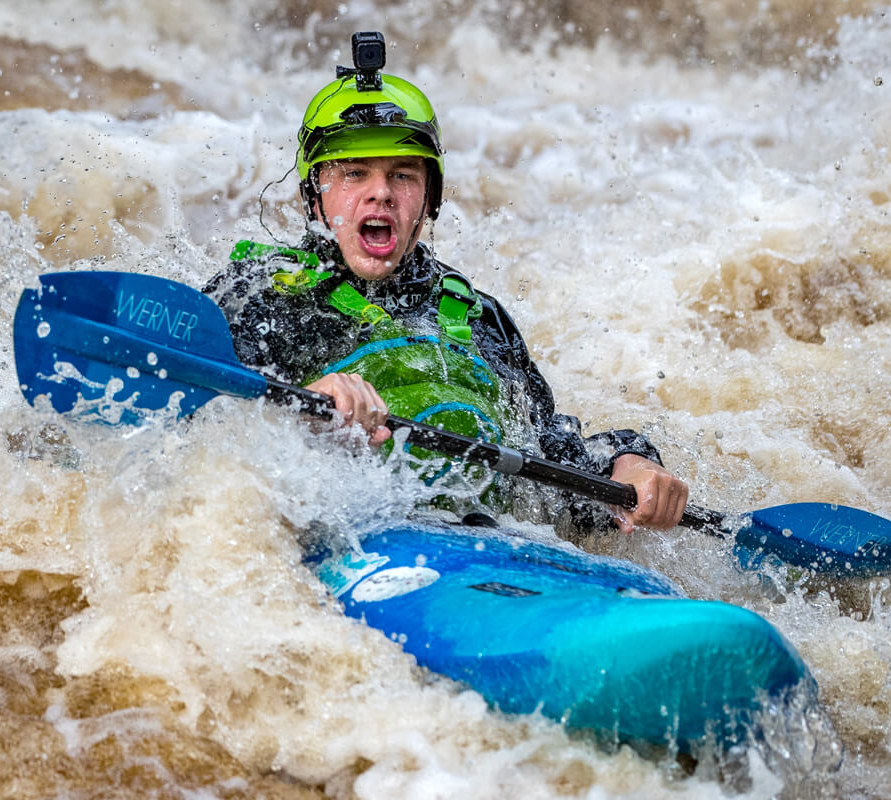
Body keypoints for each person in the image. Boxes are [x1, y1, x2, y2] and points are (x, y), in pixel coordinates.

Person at [203, 33, 687, 533]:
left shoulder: (482, 318)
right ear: (315, 196)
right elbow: (186, 434)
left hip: (501, 542)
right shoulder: (262, 296)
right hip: (359, 534)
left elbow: (550, 456)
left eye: (403, 176)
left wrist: (629, 464)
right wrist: (297, 406)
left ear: (430, 198)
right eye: (353, 174)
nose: (380, 195)